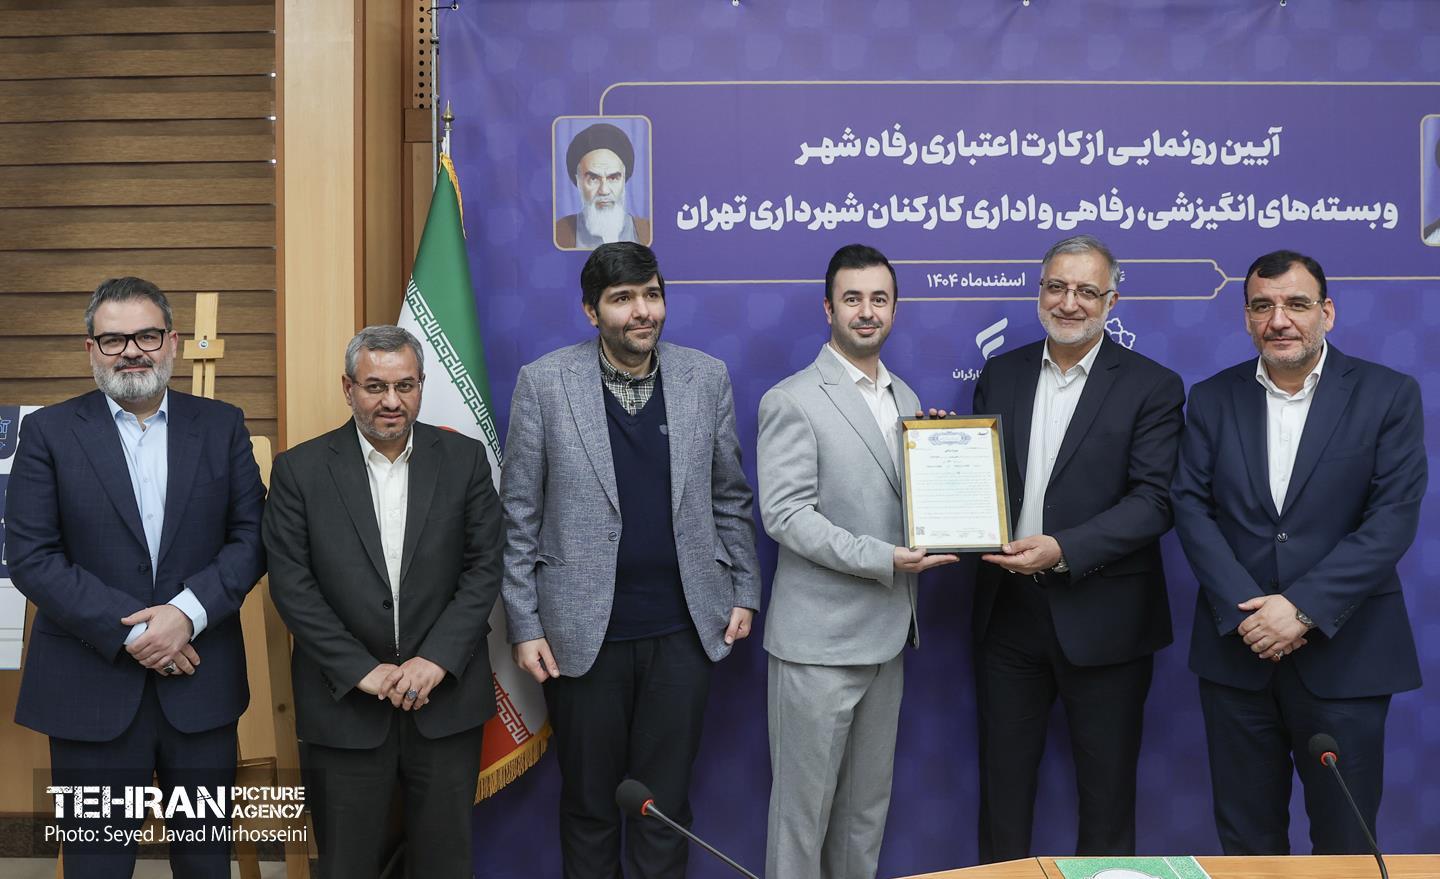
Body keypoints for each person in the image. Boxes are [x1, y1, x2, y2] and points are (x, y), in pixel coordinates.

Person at [500, 241, 760, 879]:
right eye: (623, 299)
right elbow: (519, 515)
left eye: (652, 295)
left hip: (683, 630)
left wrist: (744, 589)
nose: (643, 311)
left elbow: (730, 496)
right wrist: (524, 624)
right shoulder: (545, 383)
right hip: (580, 636)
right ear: (592, 311)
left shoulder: (705, 377)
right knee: (590, 805)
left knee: (662, 808)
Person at [6, 277, 266, 878]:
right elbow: (32, 557)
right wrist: (138, 633)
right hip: (88, 688)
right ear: (91, 349)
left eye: (146, 336)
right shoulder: (48, 433)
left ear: (171, 342)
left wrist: (186, 615)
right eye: (113, 339)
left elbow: (254, 537)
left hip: (201, 687)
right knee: (95, 866)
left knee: (205, 863)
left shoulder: (222, 425)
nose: (131, 351)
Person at [1172, 249, 1425, 855]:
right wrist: (1251, 614)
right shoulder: (1211, 397)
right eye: (1262, 306)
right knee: (1246, 845)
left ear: (1326, 313)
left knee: (1346, 846)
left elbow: (1391, 519)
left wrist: (1301, 608)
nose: (1278, 320)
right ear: (1246, 317)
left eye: (1296, 304)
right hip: (1238, 656)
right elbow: (1190, 507)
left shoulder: (1388, 394)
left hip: (1348, 657)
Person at [970, 234, 1184, 862]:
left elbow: (1155, 501)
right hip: (1008, 615)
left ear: (1111, 301)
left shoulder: (1153, 386)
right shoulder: (1001, 373)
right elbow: (981, 480)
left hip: (1106, 619)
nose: (1069, 303)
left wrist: (1062, 548)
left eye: (1087, 291)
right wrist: (940, 454)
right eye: (1056, 287)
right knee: (1003, 794)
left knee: (1107, 800)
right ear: (1039, 292)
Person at [262, 325, 503, 879]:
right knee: (346, 865)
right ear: (348, 388)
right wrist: (362, 670)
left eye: (405, 386)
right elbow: (293, 586)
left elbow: (484, 567)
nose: (391, 401)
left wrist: (436, 659)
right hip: (344, 706)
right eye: (375, 386)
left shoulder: (464, 460)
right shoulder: (299, 471)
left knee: (445, 865)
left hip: (445, 702)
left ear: (421, 386)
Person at [758, 243, 956, 879]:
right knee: (802, 821)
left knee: (863, 817)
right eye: (853, 299)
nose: (866, 312)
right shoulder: (792, 399)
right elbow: (786, 516)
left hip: (886, 640)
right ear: (828, 308)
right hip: (818, 646)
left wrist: (943, 453)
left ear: (895, 309)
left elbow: (901, 497)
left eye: (879, 299)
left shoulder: (907, 398)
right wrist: (885, 558)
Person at [555, 121, 653, 249]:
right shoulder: (559, 233)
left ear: (624, 179)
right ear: (578, 181)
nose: (604, 190)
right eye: (593, 178)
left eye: (613, 178)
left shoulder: (648, 231)